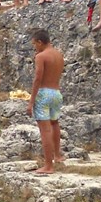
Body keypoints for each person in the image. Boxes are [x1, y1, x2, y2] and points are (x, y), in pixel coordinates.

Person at [27, 29, 64, 174]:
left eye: (34, 44)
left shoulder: (41, 56)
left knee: (45, 129)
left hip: (44, 93)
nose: (34, 47)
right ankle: (58, 155)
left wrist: (31, 101)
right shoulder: (59, 55)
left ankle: (48, 165)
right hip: (56, 92)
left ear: (40, 42)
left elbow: (38, 78)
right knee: (55, 123)